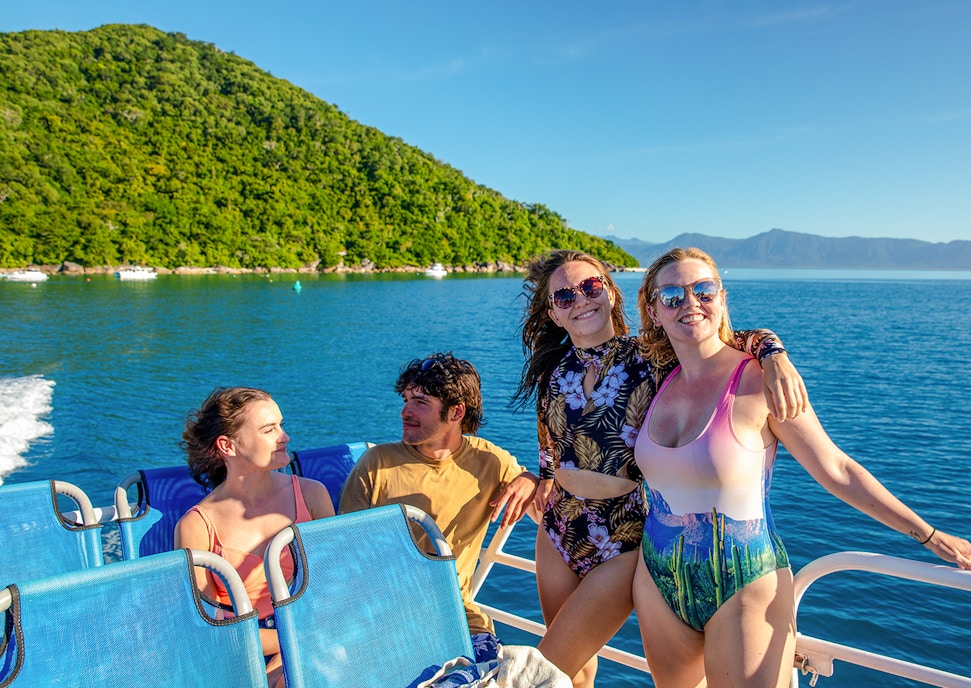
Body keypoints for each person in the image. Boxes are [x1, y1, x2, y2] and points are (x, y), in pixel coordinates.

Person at [631, 247, 971, 688]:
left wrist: (929, 534)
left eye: (703, 290)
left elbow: (836, 468)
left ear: (722, 298)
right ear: (653, 310)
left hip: (743, 584)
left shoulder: (760, 382)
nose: (690, 303)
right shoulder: (652, 380)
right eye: (672, 296)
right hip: (656, 582)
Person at [515, 249, 809, 688]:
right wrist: (534, 477)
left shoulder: (654, 358)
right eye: (564, 296)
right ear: (555, 314)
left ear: (612, 295)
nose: (580, 299)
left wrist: (775, 354)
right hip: (558, 528)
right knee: (574, 673)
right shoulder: (554, 372)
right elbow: (550, 449)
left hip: (624, 537)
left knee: (546, 666)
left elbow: (725, 336)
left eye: (591, 286)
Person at [338, 352, 539, 663]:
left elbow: (545, 516)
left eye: (420, 402)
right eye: (406, 400)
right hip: (379, 618)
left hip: (458, 616)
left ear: (456, 412)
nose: (405, 411)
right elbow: (344, 555)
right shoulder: (376, 464)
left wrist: (532, 479)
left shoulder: (491, 462)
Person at [175, 387, 335, 688]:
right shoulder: (197, 525)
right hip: (247, 646)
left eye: (281, 425)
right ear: (228, 446)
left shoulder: (312, 495)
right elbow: (206, 625)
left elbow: (336, 580)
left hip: (313, 628)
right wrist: (287, 640)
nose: (284, 436)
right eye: (268, 429)